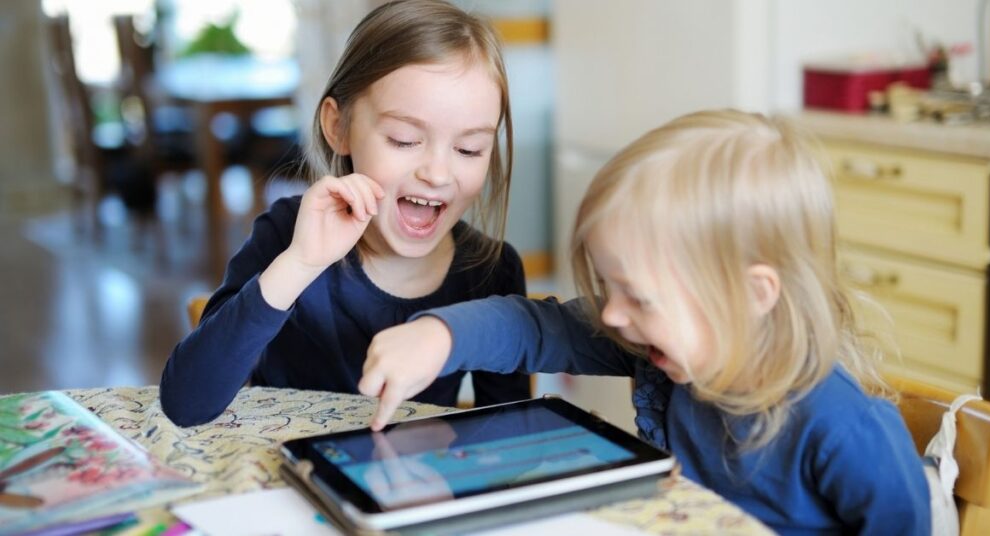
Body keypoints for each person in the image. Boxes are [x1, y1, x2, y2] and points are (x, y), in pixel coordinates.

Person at [358, 110, 931, 534]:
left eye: (639, 297)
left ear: (752, 294)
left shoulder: (843, 429)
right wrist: (441, 335)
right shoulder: (651, 349)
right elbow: (535, 329)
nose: (612, 314)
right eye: (609, 289)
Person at [160, 0, 531, 427]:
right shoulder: (288, 235)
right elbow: (184, 405)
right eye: (405, 139)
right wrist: (298, 264)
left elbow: (507, 435)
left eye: (469, 149)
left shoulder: (493, 272)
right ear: (339, 128)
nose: (437, 173)